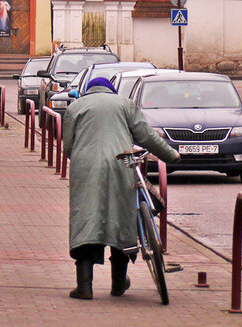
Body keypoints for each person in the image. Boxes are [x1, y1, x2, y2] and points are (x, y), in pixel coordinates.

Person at [61, 75, 180, 300]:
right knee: (121, 217)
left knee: (86, 218)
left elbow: (68, 146)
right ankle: (118, 283)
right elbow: (146, 136)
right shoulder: (125, 104)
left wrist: (81, 158)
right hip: (121, 164)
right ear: (111, 91)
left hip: (86, 167)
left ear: (89, 90)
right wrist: (170, 155)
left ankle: (84, 286)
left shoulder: (75, 107)